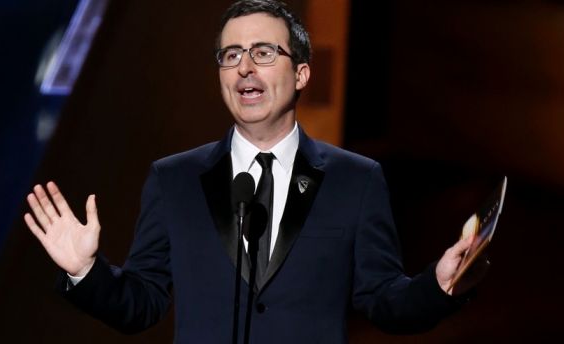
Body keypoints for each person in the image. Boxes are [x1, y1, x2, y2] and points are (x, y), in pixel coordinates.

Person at [24, 1, 486, 342]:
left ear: (302, 74)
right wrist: (87, 272)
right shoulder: (174, 180)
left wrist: (438, 285)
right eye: (231, 55)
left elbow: (383, 300)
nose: (244, 66)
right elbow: (142, 303)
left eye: (264, 52)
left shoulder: (356, 180)